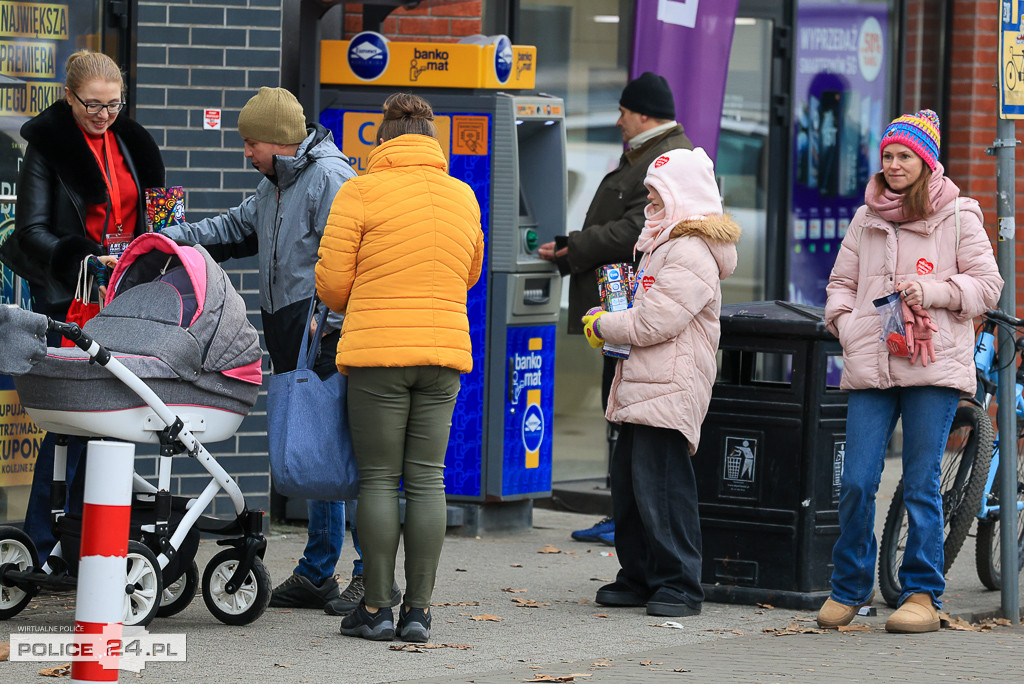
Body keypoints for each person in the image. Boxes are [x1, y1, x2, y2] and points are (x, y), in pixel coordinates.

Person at [160, 87, 390, 613]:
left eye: (251, 143)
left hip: (324, 335)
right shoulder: (275, 185)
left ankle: (368, 573)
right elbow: (234, 229)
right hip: (294, 333)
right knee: (317, 451)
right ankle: (316, 571)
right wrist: (171, 239)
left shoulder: (331, 180)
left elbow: (359, 257)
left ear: (280, 141)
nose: (246, 153)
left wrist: (329, 325)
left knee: (345, 453)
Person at [818, 109, 1002, 633]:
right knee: (855, 481)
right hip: (872, 361)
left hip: (933, 364)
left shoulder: (960, 215)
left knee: (921, 481)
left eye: (905, 156)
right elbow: (840, 284)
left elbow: (987, 286)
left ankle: (922, 593)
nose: (895, 165)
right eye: (888, 156)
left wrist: (938, 292)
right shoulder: (865, 218)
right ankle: (849, 588)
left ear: (927, 161)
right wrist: (847, 325)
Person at [316, 92, 484, 643]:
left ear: (382, 140)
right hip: (442, 358)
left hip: (377, 358)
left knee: (380, 480)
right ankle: (420, 611)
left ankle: (377, 610)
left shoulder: (360, 191)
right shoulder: (463, 196)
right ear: (432, 141)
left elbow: (335, 286)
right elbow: (470, 275)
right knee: (428, 480)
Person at [0, 49, 165, 561]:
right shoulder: (48, 147)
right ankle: (43, 539)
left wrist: (162, 236)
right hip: (73, 296)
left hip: (124, 295)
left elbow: (151, 210)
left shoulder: (132, 142)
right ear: (69, 97)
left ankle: (83, 538)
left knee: (112, 419)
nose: (103, 115)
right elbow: (30, 231)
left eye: (113, 105)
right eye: (92, 105)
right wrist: (85, 259)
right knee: (72, 420)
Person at [580, 147, 739, 618]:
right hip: (645, 382)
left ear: (683, 197)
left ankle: (680, 583)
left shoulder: (691, 249)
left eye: (656, 193)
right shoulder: (665, 243)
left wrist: (603, 324)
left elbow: (655, 321)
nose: (649, 202)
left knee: (663, 488)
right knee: (630, 486)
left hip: (670, 386)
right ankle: (639, 576)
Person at [538, 72, 693, 547]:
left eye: (624, 111)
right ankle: (623, 515)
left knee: (627, 416)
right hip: (620, 305)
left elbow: (632, 229)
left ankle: (628, 519)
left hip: (632, 309)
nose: (619, 120)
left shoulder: (663, 159)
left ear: (643, 113)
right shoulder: (650, 153)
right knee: (619, 413)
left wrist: (575, 247)